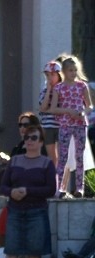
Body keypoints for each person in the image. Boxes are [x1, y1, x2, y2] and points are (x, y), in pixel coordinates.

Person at [0, 124, 56, 258]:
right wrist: (12, 192)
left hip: (37, 212)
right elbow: (3, 186)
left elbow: (50, 189)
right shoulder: (14, 161)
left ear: (41, 142)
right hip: (15, 211)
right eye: (27, 138)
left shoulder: (46, 163)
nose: (29, 141)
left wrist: (28, 191)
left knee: (34, 253)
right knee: (11, 252)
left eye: (34, 138)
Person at [49, 55, 93, 197]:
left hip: (80, 124)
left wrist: (83, 112)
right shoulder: (59, 88)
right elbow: (53, 108)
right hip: (65, 124)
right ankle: (59, 188)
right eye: (70, 70)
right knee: (63, 156)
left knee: (79, 156)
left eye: (75, 70)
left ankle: (79, 188)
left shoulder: (82, 86)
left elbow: (89, 106)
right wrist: (68, 111)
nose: (73, 73)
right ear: (64, 71)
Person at [38, 60, 62, 168]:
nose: (50, 78)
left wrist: (50, 110)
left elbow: (60, 108)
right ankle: (53, 175)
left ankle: (61, 177)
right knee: (52, 157)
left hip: (61, 126)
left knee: (62, 156)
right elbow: (43, 108)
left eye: (53, 75)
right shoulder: (44, 91)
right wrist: (48, 90)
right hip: (48, 127)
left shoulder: (63, 90)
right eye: (47, 75)